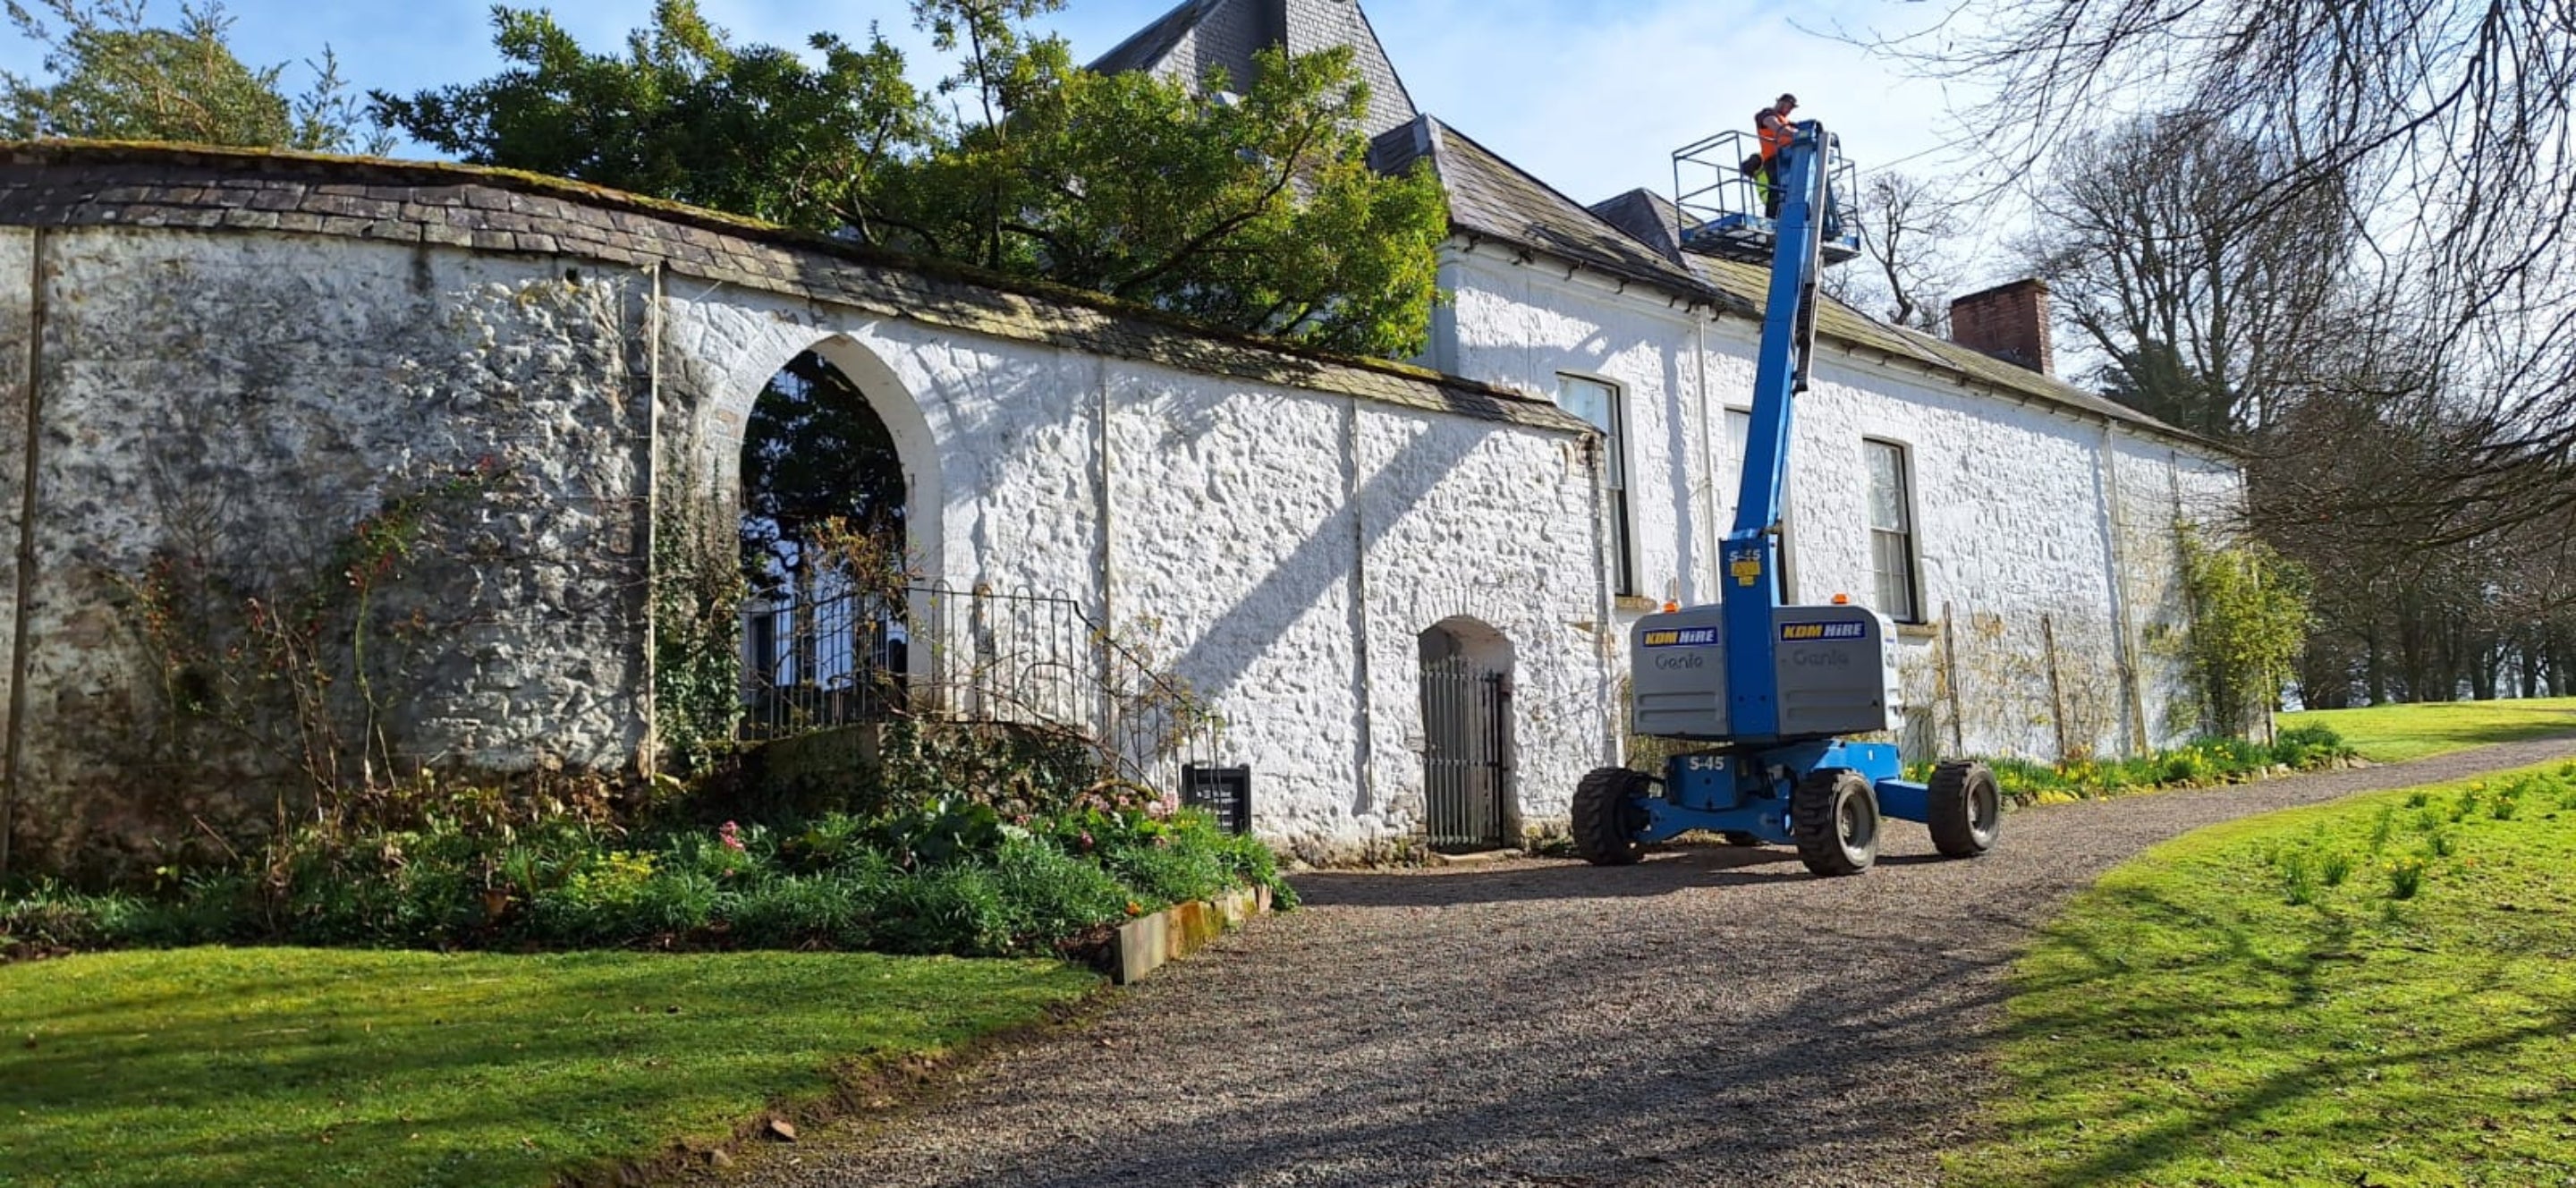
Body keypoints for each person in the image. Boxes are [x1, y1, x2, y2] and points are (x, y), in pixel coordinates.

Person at [1753, 93, 1799, 219]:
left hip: (1789, 158)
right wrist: (1797, 133)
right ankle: (1771, 217)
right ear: (1782, 103)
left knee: (1791, 190)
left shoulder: (1787, 122)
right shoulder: (1766, 115)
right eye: (1789, 107)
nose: (1789, 111)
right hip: (1774, 159)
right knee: (1776, 189)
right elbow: (1777, 128)